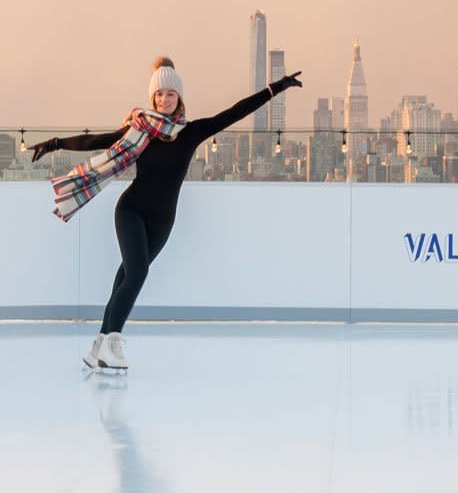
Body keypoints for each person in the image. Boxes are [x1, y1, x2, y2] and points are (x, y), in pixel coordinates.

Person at [30, 56, 303, 372]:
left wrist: (276, 87)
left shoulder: (191, 132)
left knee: (125, 278)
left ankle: (99, 345)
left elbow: (234, 112)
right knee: (137, 274)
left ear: (179, 98)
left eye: (170, 94)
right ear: (153, 98)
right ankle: (113, 342)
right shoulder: (139, 131)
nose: (164, 99)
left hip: (163, 221)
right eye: (159, 95)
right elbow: (97, 140)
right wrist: (55, 143)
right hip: (131, 210)